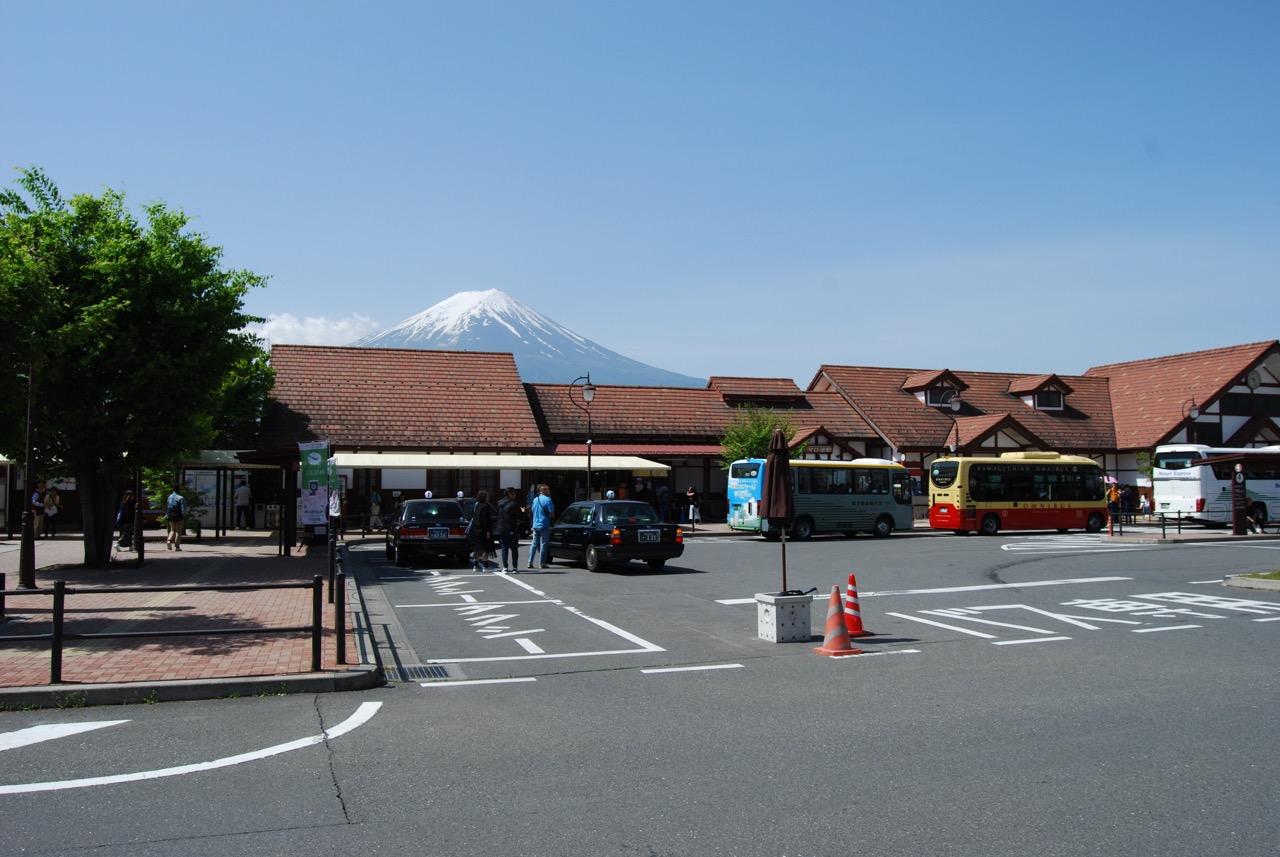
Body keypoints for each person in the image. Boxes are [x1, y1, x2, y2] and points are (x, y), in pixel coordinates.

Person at [496, 487, 525, 572]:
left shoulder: (499, 502)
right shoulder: (514, 504)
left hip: (501, 528)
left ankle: (505, 567)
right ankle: (515, 567)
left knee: (504, 548)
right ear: (509, 494)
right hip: (511, 528)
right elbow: (520, 516)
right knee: (514, 548)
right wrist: (523, 510)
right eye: (514, 493)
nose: (515, 495)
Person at [468, 489, 497, 572]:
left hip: (476, 529)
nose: (488, 497)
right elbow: (486, 520)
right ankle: (485, 566)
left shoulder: (476, 505)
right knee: (485, 548)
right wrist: (488, 531)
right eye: (487, 496)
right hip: (483, 530)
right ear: (484, 497)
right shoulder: (485, 507)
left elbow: (473, 517)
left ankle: (476, 565)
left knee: (477, 548)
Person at [528, 483, 555, 569]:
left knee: (534, 544)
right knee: (543, 544)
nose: (549, 491)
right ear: (543, 491)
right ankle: (542, 563)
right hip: (544, 524)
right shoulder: (548, 500)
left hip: (535, 524)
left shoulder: (535, 499)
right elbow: (552, 514)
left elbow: (532, 510)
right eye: (547, 489)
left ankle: (530, 562)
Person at [165, 485, 188, 551]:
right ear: (179, 490)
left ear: (173, 489)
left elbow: (168, 506)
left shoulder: (169, 497)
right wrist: (184, 516)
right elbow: (183, 509)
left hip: (170, 515)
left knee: (172, 529)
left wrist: (167, 514)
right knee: (178, 531)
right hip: (178, 515)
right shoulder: (181, 498)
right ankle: (177, 547)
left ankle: (169, 541)